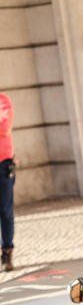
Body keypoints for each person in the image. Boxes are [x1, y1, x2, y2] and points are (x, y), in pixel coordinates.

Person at [0, 92, 14, 271]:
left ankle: (7, 251)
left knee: (5, 211)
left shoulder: (3, 100)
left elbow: (4, 126)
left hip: (3, 165)